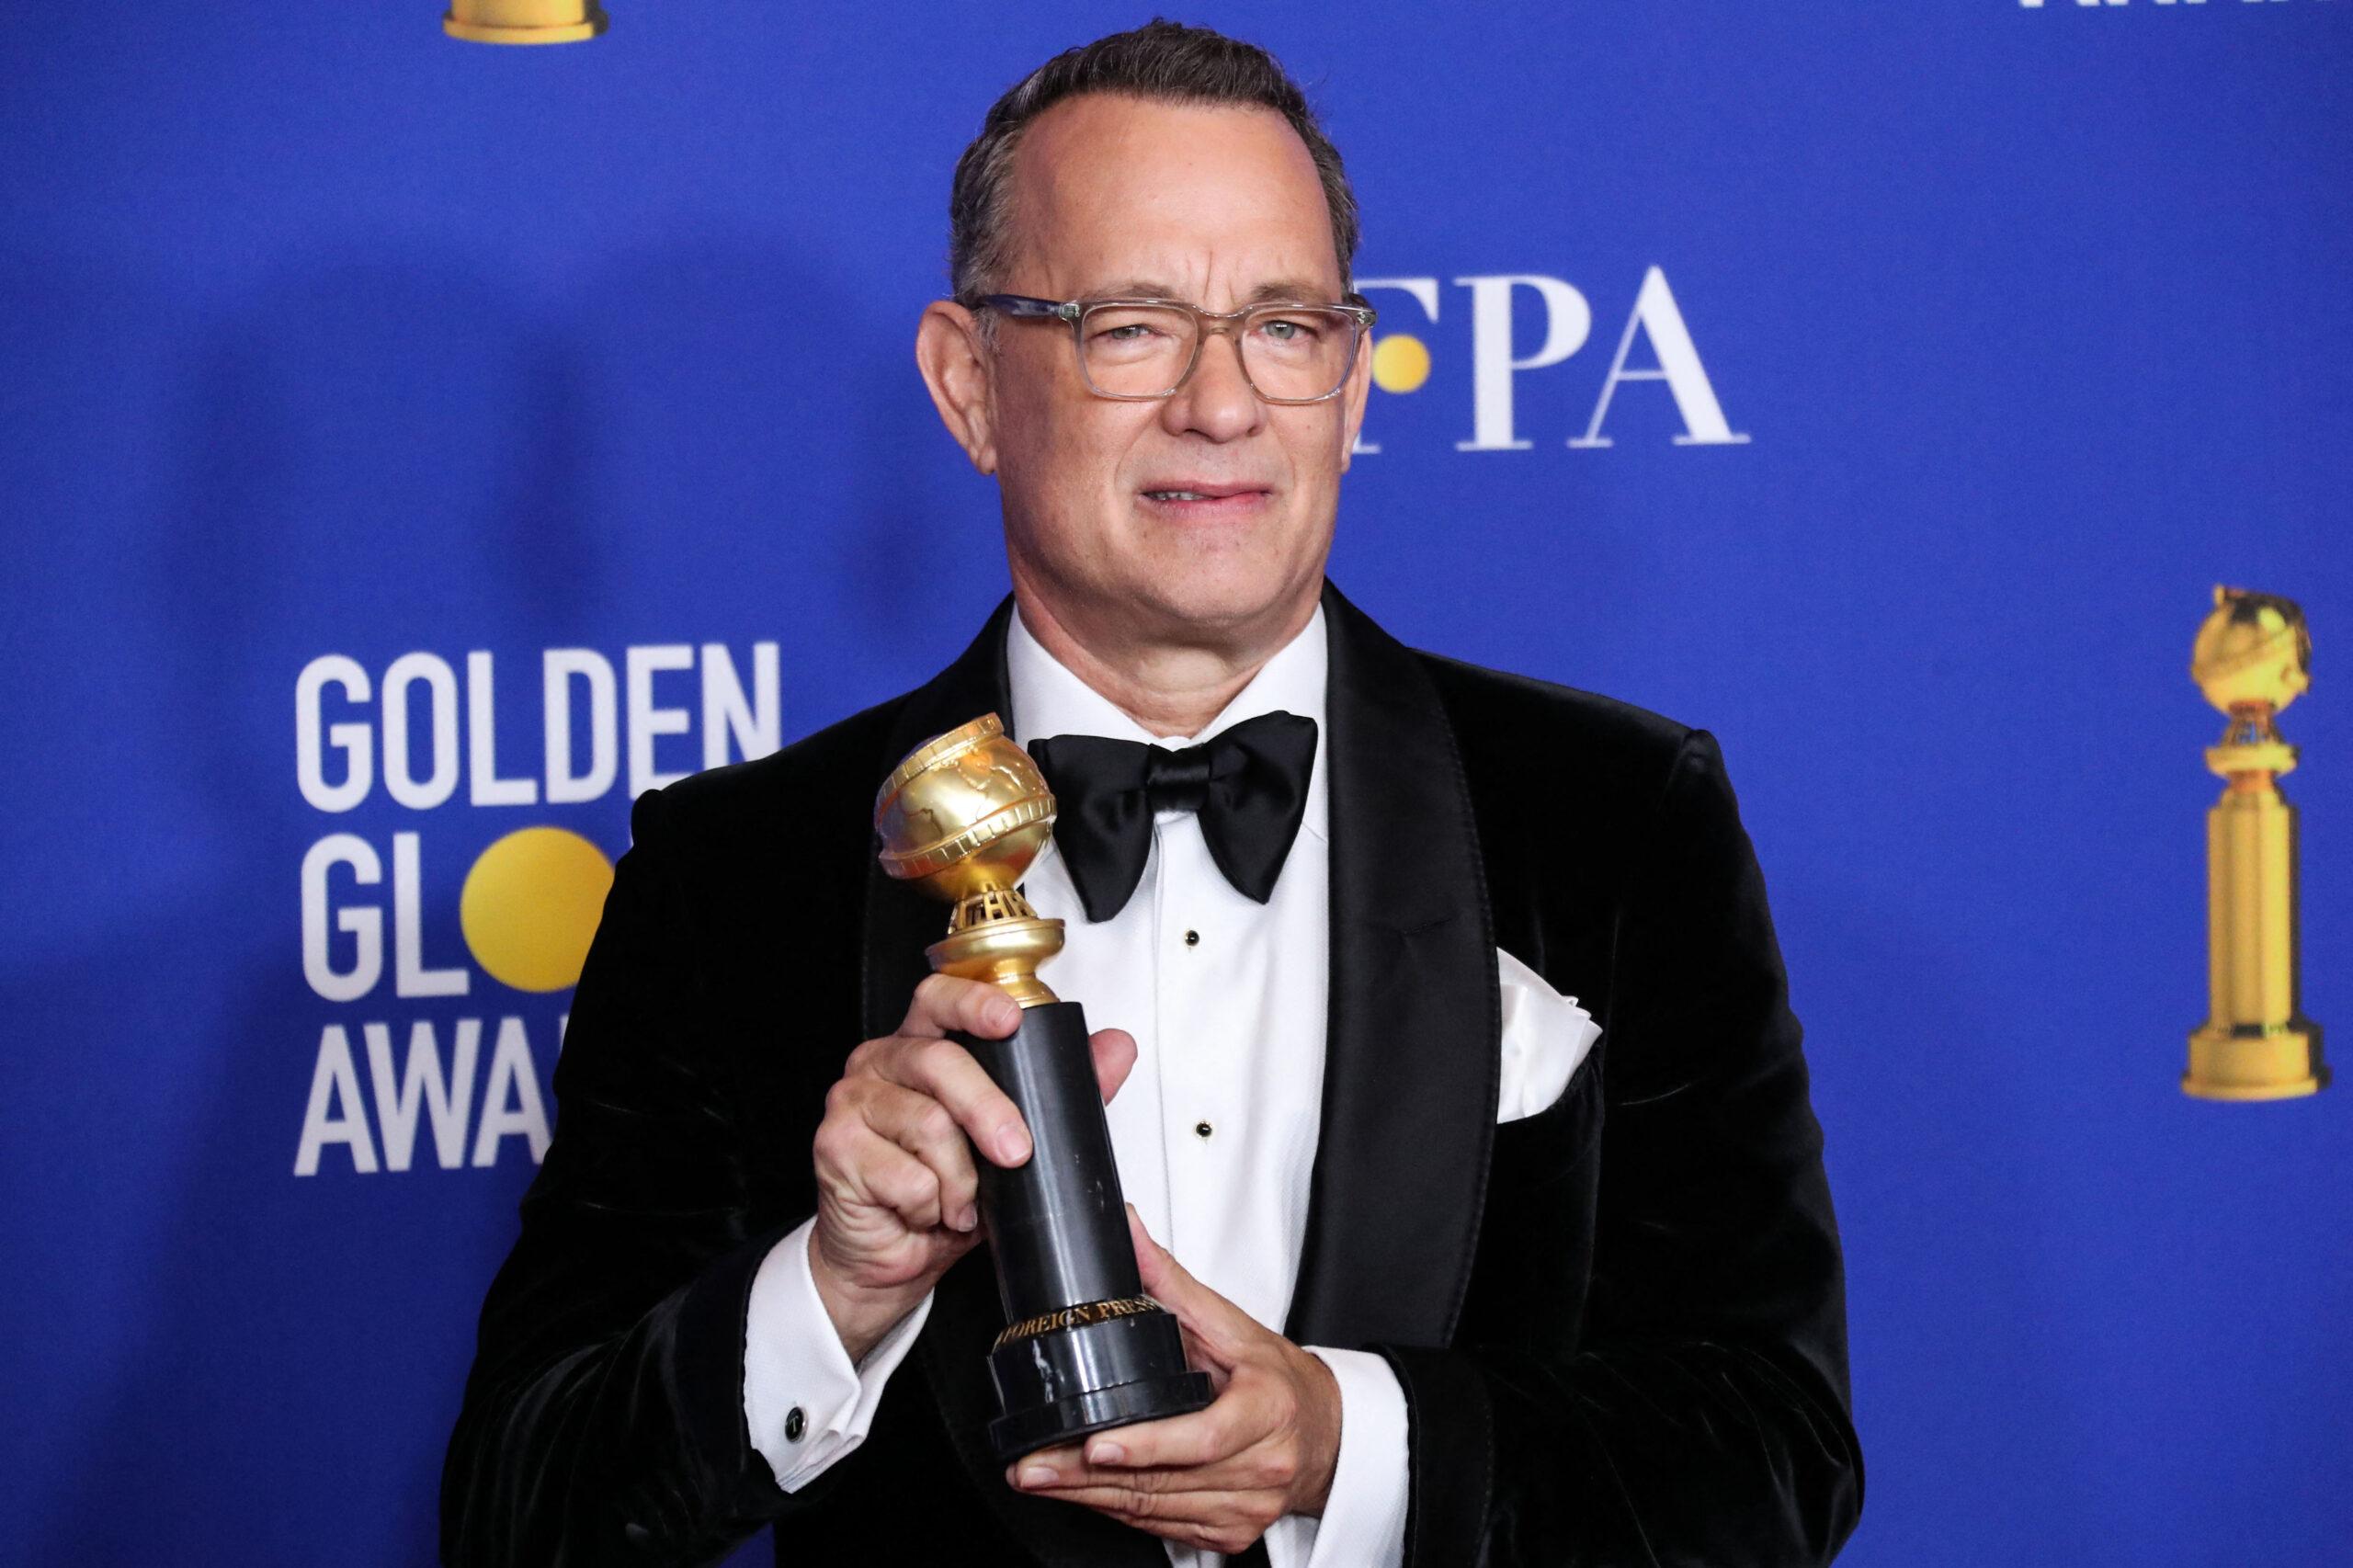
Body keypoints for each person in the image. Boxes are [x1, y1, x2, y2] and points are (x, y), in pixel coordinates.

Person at [441, 21, 1862, 1568]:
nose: (1222, 403)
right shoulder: (738, 871)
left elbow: (1773, 1457)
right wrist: (833, 1290)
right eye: (1132, 326)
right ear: (970, 383)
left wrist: (1349, 1442)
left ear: (1352, 379)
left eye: (1284, 326)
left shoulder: (1616, 819)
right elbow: (523, 1512)